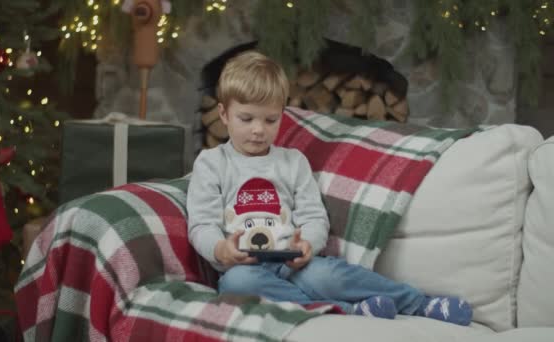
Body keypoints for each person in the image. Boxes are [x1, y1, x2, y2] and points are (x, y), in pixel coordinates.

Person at [186, 50, 472, 325]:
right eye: (246, 119)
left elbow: (313, 216)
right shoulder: (212, 163)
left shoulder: (292, 162)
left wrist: (307, 244)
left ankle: (420, 303)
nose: (259, 129)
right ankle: (347, 311)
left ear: (282, 115)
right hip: (243, 267)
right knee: (238, 284)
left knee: (328, 276)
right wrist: (221, 249)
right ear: (223, 114)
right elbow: (202, 224)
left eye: (270, 119)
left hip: (294, 263)